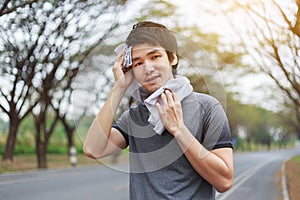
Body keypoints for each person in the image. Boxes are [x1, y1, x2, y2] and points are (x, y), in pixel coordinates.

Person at [83, 21, 234, 200]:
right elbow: (93, 149)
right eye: (138, 63)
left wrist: (178, 129)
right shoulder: (134, 116)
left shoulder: (208, 108)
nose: (148, 68)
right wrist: (119, 87)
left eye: (155, 57)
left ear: (172, 58)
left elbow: (224, 181)